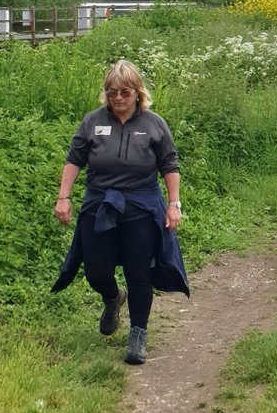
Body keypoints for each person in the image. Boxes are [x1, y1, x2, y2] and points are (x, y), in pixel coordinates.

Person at [52, 60, 188, 366]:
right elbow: (74, 159)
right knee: (96, 270)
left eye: (124, 91)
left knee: (139, 272)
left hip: (141, 206)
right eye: (111, 91)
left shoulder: (154, 124)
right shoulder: (92, 122)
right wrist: (64, 197)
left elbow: (169, 165)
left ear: (137, 92)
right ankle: (113, 296)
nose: (118, 97)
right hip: (100, 204)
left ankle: (138, 332)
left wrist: (174, 204)